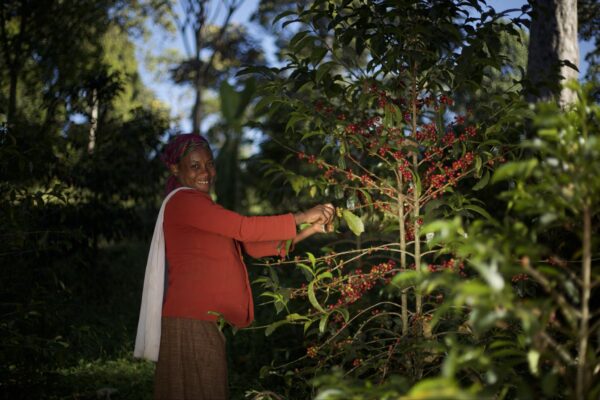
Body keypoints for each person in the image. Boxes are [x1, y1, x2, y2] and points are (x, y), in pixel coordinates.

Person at [135, 133, 334, 400]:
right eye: (195, 166)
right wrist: (301, 216)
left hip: (196, 319)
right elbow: (244, 228)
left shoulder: (201, 206)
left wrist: (311, 229)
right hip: (191, 320)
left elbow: (249, 246)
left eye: (209, 164)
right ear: (175, 169)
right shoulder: (184, 201)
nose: (206, 172)